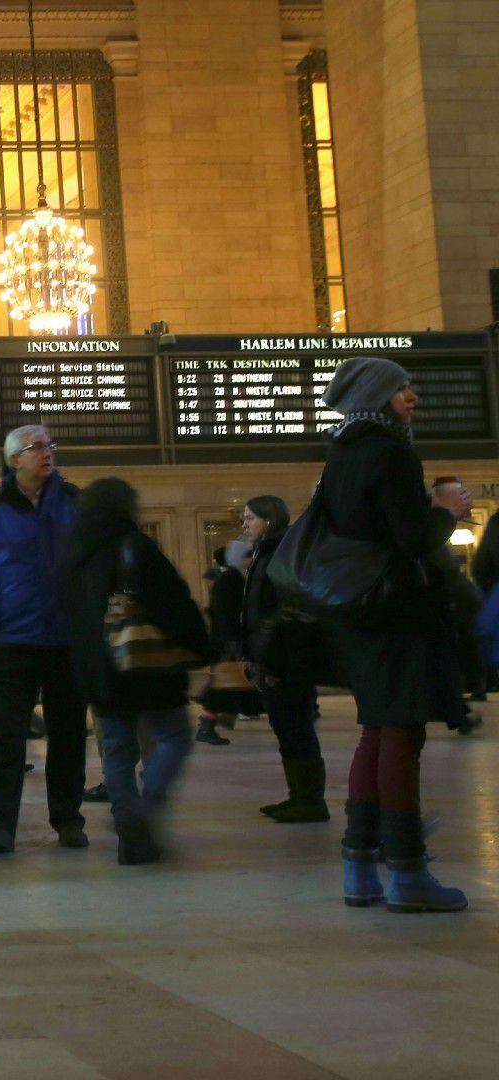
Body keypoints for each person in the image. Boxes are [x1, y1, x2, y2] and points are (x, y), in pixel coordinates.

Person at [319, 356, 467, 913]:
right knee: (402, 732)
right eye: (401, 386)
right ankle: (406, 873)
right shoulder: (392, 452)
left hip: (358, 611)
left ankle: (360, 867)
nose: (412, 394)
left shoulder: (341, 452)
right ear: (378, 394)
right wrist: (446, 511)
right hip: (397, 611)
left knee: (377, 729)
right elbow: (411, 539)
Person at [59, 479, 212, 865]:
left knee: (117, 753)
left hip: (98, 671)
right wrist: (202, 647)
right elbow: (173, 602)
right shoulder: (134, 546)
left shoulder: (71, 552)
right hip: (146, 667)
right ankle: (145, 812)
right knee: (175, 736)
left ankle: (130, 834)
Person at [0, 424, 90, 854]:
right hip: (12, 641)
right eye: (36, 447)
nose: (47, 452)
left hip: (67, 641)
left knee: (68, 736)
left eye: (51, 444)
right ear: (15, 459)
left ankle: (68, 820)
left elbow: (99, 564)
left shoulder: (75, 504)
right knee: (6, 741)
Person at [240, 495, 328, 823]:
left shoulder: (282, 552)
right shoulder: (270, 552)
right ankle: (300, 797)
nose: (245, 524)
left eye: (250, 518)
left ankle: (309, 800)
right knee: (287, 727)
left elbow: (285, 613)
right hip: (275, 657)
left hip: (285, 660)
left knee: (295, 727)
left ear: (269, 520)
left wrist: (272, 659)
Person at [194, 543, 264, 745]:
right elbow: (231, 614)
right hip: (228, 640)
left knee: (226, 683)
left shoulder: (229, 578)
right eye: (247, 556)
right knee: (224, 683)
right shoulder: (233, 579)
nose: (250, 560)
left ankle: (218, 719)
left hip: (224, 639)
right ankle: (208, 725)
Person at [431, 476, 486, 731]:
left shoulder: (433, 524)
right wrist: (479, 604)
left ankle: (456, 711)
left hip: (435, 610)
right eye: (461, 495)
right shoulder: (435, 527)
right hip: (435, 611)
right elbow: (450, 572)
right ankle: (456, 713)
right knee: (444, 660)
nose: (467, 501)